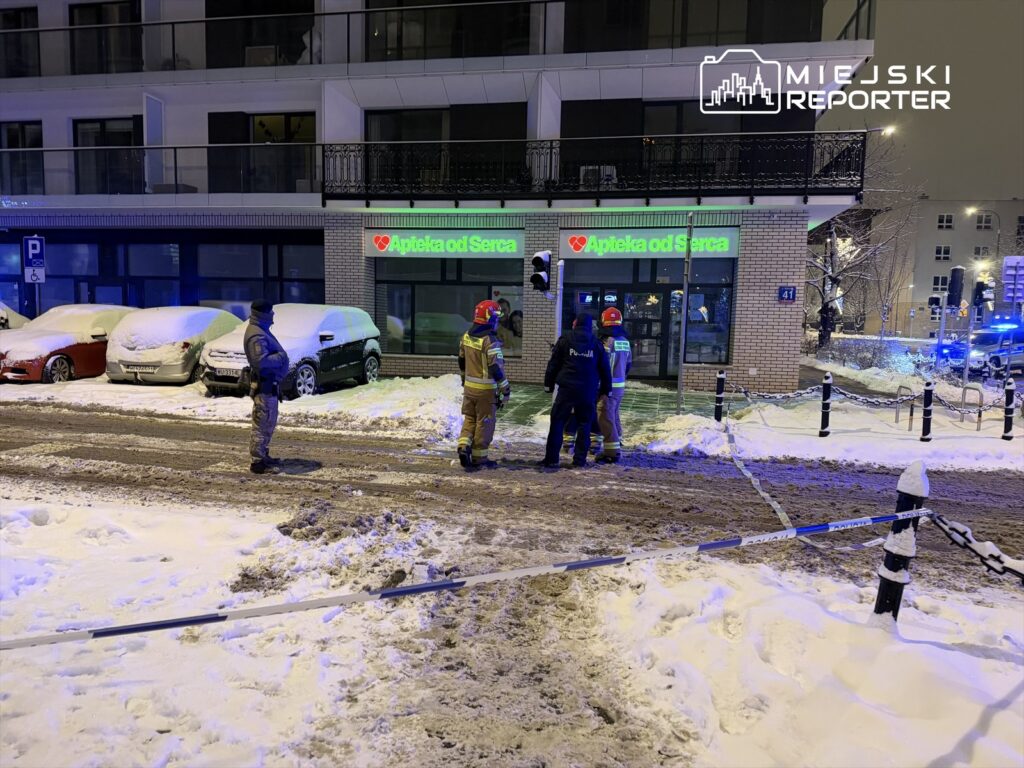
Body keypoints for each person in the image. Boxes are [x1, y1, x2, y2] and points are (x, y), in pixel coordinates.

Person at [540, 313, 611, 468]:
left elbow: (553, 365)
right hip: (587, 391)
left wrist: (548, 386)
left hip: (567, 389)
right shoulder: (596, 344)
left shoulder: (565, 340)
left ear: (576, 323)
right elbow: (605, 369)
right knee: (584, 424)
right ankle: (579, 460)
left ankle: (551, 459)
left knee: (558, 422)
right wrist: (607, 390)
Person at [457, 299, 510, 470]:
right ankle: (480, 459)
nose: (497, 322)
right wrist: (505, 388)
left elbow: (461, 360)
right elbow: (495, 367)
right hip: (486, 392)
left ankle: (463, 446)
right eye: (495, 318)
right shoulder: (490, 341)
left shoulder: (466, 336)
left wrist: (464, 379)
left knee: (470, 418)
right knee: (484, 423)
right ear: (489, 319)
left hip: (469, 388)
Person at [244, 300, 290, 474]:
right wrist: (281, 357)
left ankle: (263, 455)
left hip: (269, 385)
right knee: (262, 424)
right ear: (264, 314)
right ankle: (257, 462)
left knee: (268, 422)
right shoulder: (257, 335)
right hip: (264, 386)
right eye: (271, 311)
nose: (273, 315)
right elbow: (261, 361)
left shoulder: (261, 330)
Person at [595, 307, 632, 464]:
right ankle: (619, 440)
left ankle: (612, 452)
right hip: (620, 386)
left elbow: (602, 367)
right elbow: (629, 365)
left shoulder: (606, 343)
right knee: (614, 414)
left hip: (607, 387)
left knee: (605, 417)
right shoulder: (625, 342)